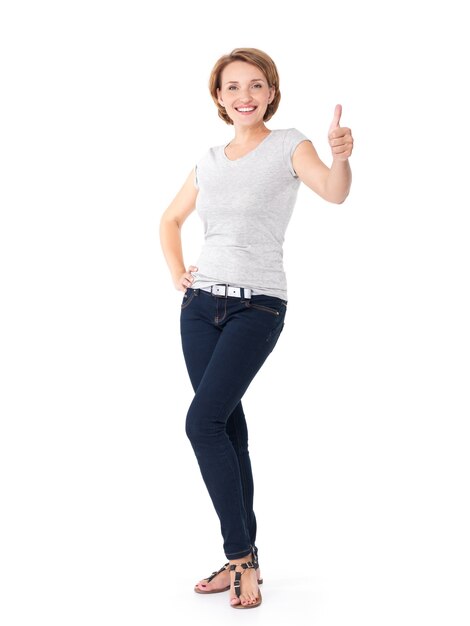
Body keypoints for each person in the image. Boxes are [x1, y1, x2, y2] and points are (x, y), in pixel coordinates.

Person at [159, 47, 353, 610]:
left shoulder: (291, 145)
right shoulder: (210, 159)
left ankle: (240, 558)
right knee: (225, 427)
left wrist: (341, 156)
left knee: (202, 422)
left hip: (257, 307)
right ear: (218, 97)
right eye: (233, 87)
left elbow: (334, 191)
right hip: (199, 309)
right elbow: (169, 218)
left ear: (271, 91)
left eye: (256, 85)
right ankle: (246, 559)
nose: (245, 95)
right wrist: (179, 273)